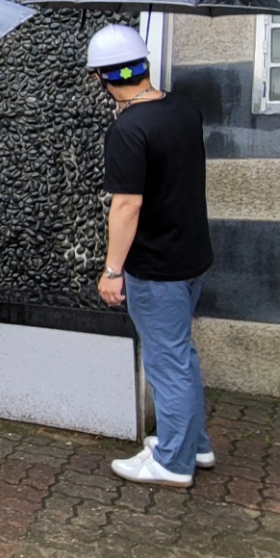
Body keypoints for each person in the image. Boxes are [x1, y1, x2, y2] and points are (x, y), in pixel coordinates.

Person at [89, 24, 215, 489]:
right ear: (143, 65)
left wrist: (112, 270)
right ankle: (193, 443)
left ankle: (173, 462)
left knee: (167, 360)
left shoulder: (128, 129)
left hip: (156, 267)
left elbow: (127, 205)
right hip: (191, 256)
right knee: (181, 354)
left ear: (101, 78)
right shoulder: (183, 109)